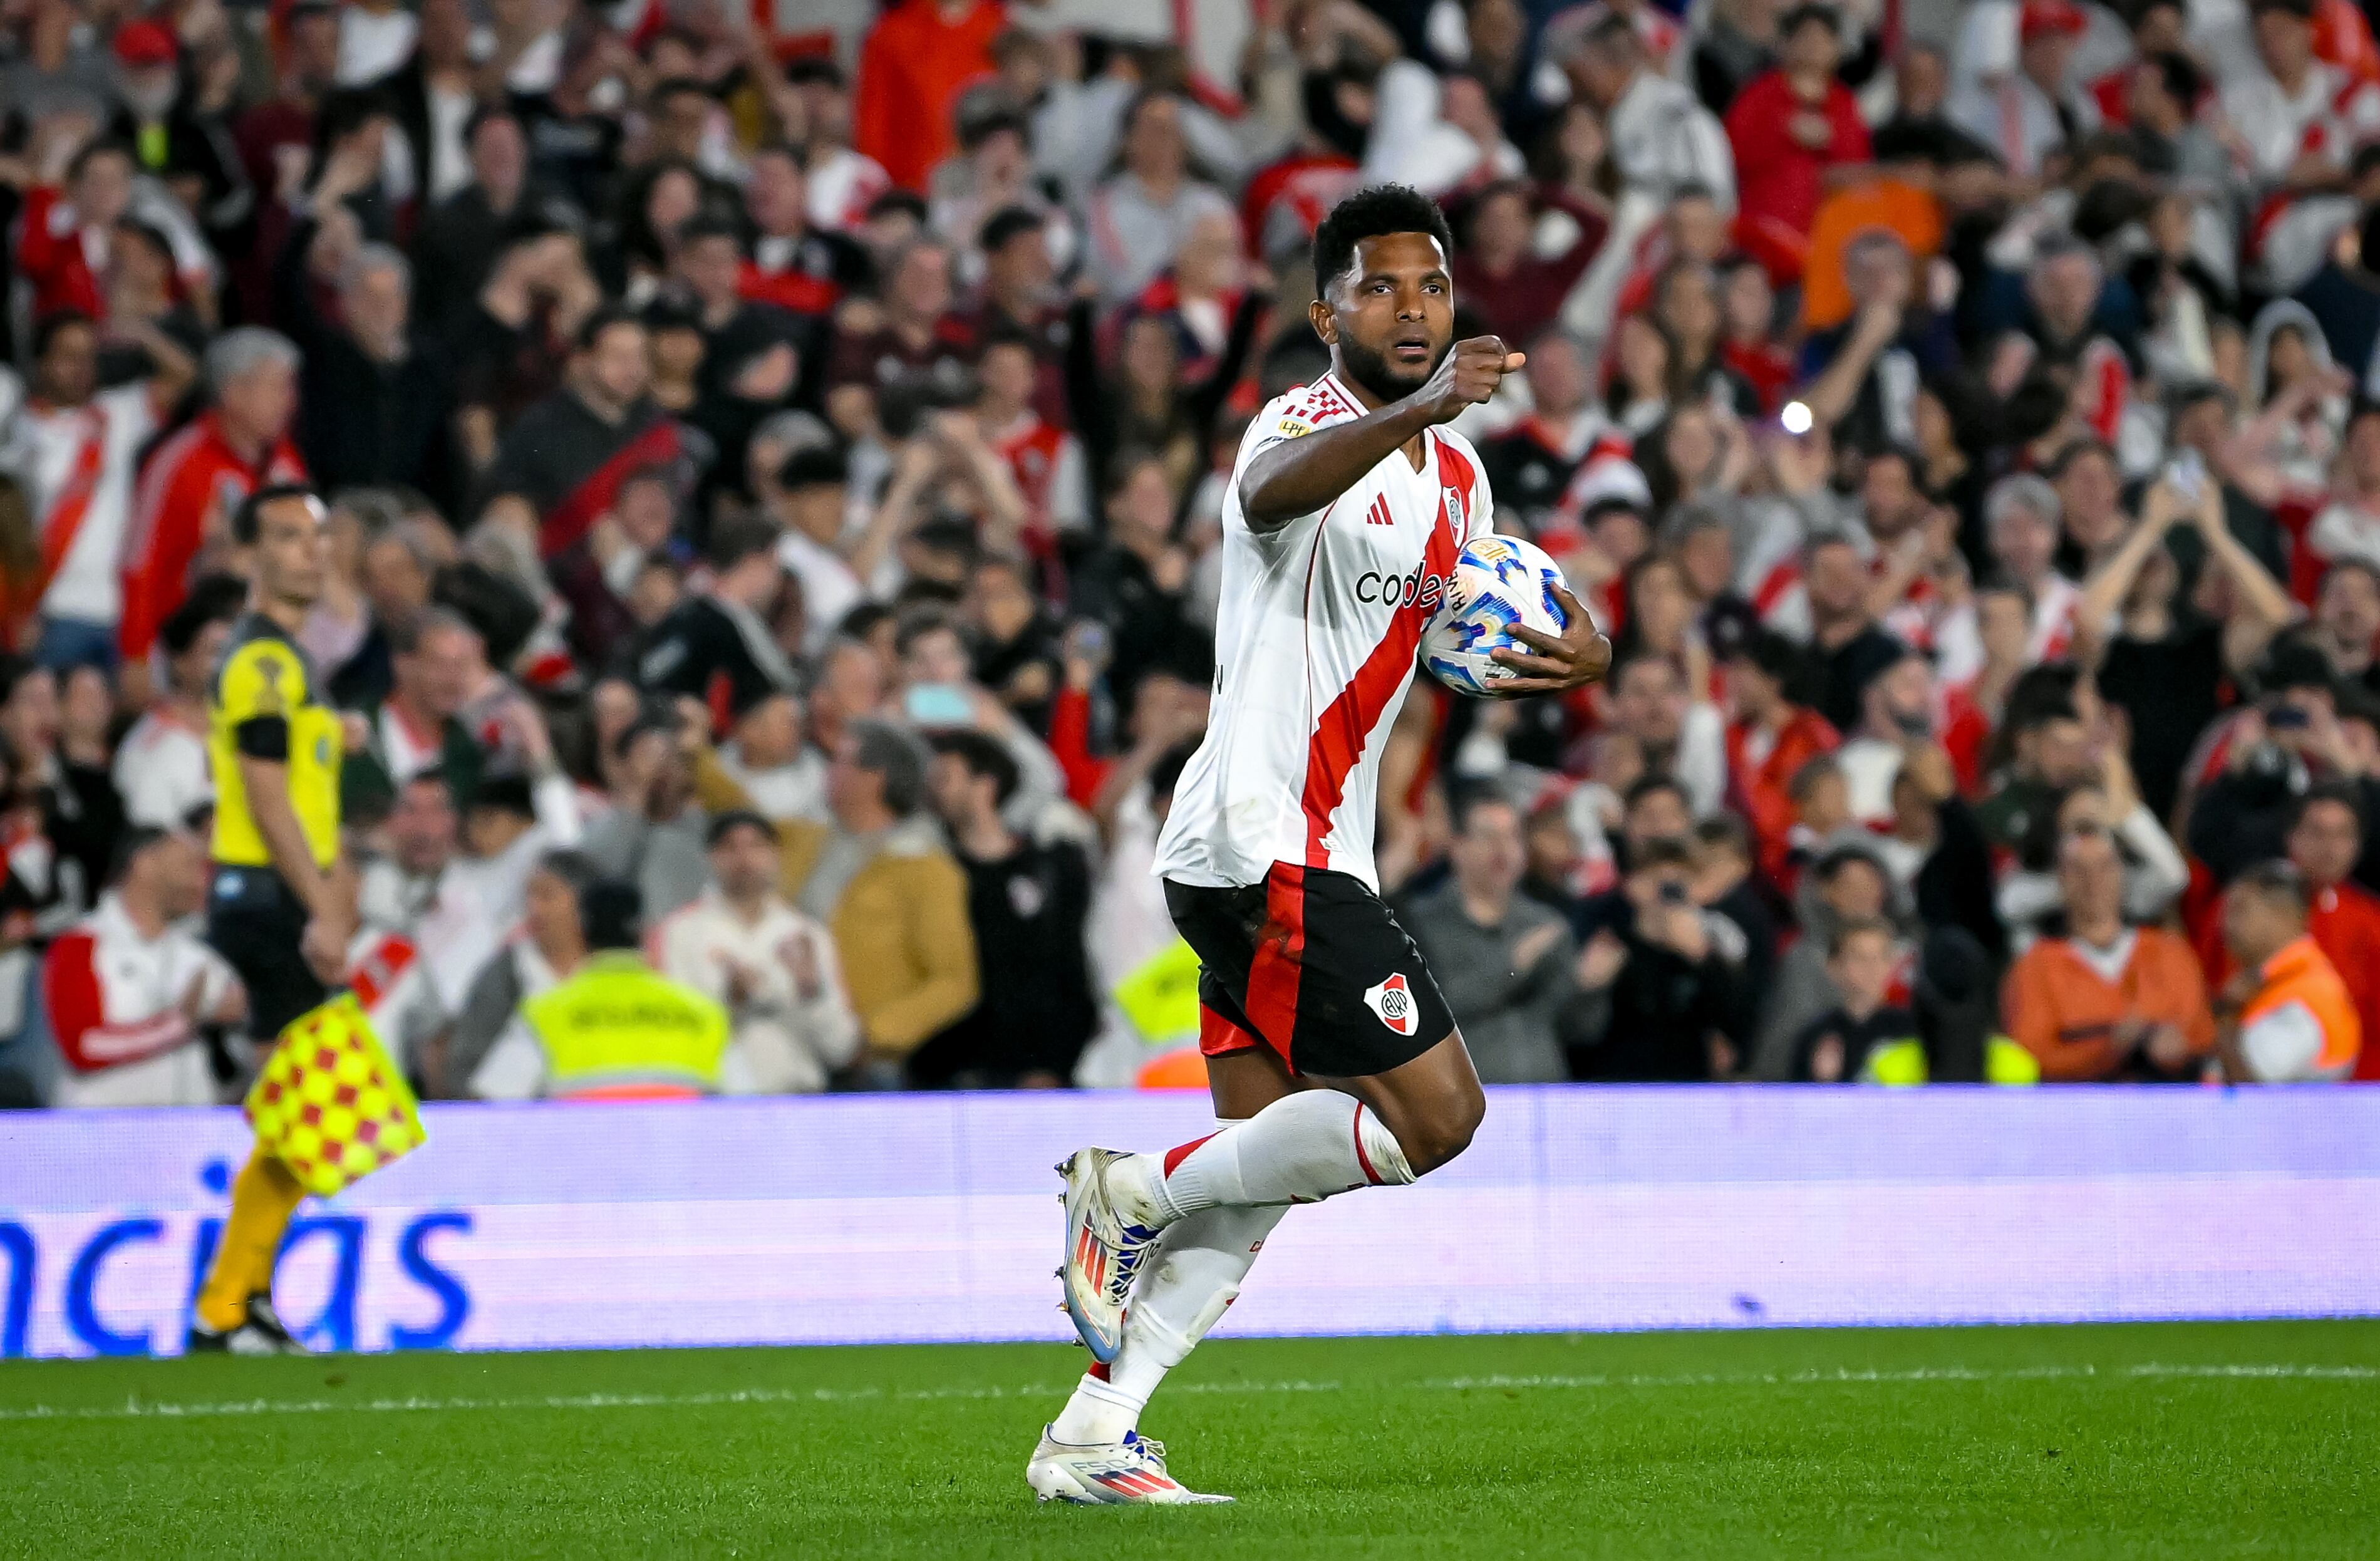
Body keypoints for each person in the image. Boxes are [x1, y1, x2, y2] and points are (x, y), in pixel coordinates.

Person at [1033, 186, 1611, 1505]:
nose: (1411, 310)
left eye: (1431, 288)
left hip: (1309, 844)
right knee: (1437, 1118)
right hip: (1257, 838)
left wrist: (1585, 652)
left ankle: (1091, 1430)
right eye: (1380, 288)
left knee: (1267, 1171)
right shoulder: (1303, 426)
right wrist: (1411, 407)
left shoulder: (1455, 480)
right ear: (1324, 312)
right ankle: (1128, 1186)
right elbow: (1262, 493)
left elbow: (1484, 622)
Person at [187, 485, 351, 1355]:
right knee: (309, 1108)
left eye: (318, 539)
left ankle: (236, 1302)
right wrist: (322, 910)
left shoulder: (288, 663)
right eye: (287, 538)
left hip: (272, 894)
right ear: (250, 556)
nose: (310, 554)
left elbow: (296, 777)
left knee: (307, 1112)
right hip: (268, 897)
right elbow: (263, 791)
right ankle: (226, 1305)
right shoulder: (260, 664)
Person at [912, 730, 1099, 1087]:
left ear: (986, 785)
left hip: (1040, 1073)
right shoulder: (934, 876)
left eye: (946, 778)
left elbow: (1069, 970)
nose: (937, 791)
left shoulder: (1052, 868)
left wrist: (1055, 1064)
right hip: (953, 1074)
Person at [469, 876, 740, 1099]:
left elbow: (496, 1098)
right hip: (676, 1161)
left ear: (582, 931)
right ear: (644, 934)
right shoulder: (705, 1012)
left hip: (581, 1161)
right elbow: (751, 1104)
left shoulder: (545, 1013)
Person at [648, 811, 859, 1094]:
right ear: (711, 857)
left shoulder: (807, 935)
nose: (744, 858)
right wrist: (729, 1003)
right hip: (717, 1102)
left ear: (776, 855)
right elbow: (672, 1039)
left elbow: (842, 1048)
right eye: (730, 847)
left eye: (756, 846)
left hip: (798, 1099)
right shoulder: (681, 933)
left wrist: (810, 993)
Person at [43, 826, 244, 1107]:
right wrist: (180, 1024)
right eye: (190, 865)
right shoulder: (79, 945)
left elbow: (243, 1031)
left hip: (191, 1133)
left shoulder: (200, 957)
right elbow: (84, 1046)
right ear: (144, 863)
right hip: (104, 1134)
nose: (203, 881)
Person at [2001, 826, 2214, 1081]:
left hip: (2167, 1100)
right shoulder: (2036, 967)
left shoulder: (2170, 952)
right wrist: (2110, 1049)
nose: (2093, 880)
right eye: (2078, 870)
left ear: (2122, 874)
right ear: (2060, 880)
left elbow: (2202, 1034)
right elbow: (2033, 1055)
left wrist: (2174, 1046)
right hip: (2080, 1108)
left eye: (2105, 866)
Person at [1404, 791, 1576, 1084]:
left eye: (1512, 837)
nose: (1503, 849)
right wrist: (1515, 963)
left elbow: (1580, 1028)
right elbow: (1440, 1007)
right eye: (1488, 836)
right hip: (1465, 1100)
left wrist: (1590, 985)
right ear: (1457, 846)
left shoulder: (1548, 923)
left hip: (1547, 1098)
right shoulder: (1419, 922)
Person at [2217, 860, 2363, 1082]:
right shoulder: (2268, 982)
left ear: (2284, 916)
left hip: (2303, 1116)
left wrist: (2224, 1019)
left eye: (2240, 910)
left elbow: (2251, 1086)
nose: (2226, 924)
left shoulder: (2309, 993)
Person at [1783, 918, 1917, 1083]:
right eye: (1860, 958)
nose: (1872, 968)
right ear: (1834, 966)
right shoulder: (1816, 1035)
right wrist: (1823, 1081)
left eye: (1881, 956)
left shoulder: (1914, 1031)